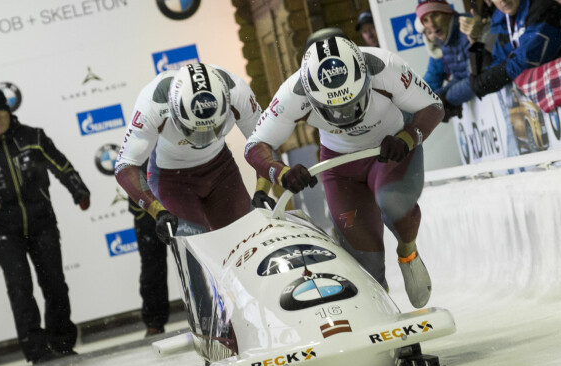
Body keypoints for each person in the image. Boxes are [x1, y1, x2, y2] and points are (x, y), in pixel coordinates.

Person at [245, 29, 445, 309]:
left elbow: (433, 107)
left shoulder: (385, 66)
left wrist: (407, 137)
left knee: (394, 205)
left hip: (389, 150)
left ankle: (407, 251)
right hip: (341, 166)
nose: (345, 116)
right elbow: (255, 145)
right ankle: (383, 311)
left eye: (352, 102)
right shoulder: (293, 92)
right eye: (333, 108)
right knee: (367, 259)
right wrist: (282, 172)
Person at [0, 77, 91, 364]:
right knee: (20, 288)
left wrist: (79, 190)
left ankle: (62, 343)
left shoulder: (32, 136)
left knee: (55, 285)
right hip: (3, 232)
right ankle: (37, 351)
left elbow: (61, 164)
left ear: (8, 111)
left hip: (42, 224)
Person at [115, 63, 263, 246]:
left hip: (221, 171)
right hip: (172, 181)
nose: (202, 139)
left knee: (247, 240)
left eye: (211, 129)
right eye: (195, 131)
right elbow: (125, 165)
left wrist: (262, 189)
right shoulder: (153, 103)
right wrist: (158, 211)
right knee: (198, 250)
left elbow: (264, 140)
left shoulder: (237, 91)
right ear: (175, 112)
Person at [468, 0, 561, 99]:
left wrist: (482, 82)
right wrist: (476, 42)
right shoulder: (502, 21)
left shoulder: (543, 8)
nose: (502, 0)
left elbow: (524, 61)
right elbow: (497, 62)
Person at [416, 0, 475, 120]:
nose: (431, 24)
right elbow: (459, 78)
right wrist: (438, 97)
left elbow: (475, 80)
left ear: (447, 13)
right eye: (425, 20)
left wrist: (446, 100)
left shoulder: (467, 29)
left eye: (435, 15)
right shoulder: (444, 39)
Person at [128, 189, 169, 337]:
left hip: (177, 195)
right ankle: (154, 322)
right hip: (145, 206)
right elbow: (125, 169)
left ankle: (208, 312)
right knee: (151, 267)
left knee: (194, 259)